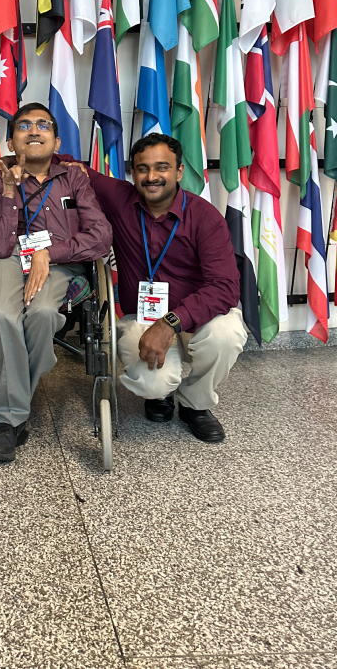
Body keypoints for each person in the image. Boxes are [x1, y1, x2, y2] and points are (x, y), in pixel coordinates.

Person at [52, 133, 246, 443]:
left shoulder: (204, 217)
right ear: (132, 173)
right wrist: (5, 164)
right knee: (152, 383)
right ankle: (161, 394)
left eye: (162, 167)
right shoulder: (119, 197)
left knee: (227, 335)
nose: (152, 177)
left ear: (179, 171)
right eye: (142, 169)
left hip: (196, 314)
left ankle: (194, 404)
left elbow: (224, 287)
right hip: (141, 315)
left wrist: (170, 323)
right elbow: (67, 165)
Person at [0, 103, 113, 463]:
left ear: (56, 138)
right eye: (23, 125)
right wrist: (6, 191)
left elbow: (100, 237)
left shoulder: (75, 177)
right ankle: (10, 420)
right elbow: (1, 245)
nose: (34, 131)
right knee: (3, 317)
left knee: (44, 315)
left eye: (43, 125)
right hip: (2, 260)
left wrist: (48, 251)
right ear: (10, 140)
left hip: (59, 263)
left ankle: (2, 397)